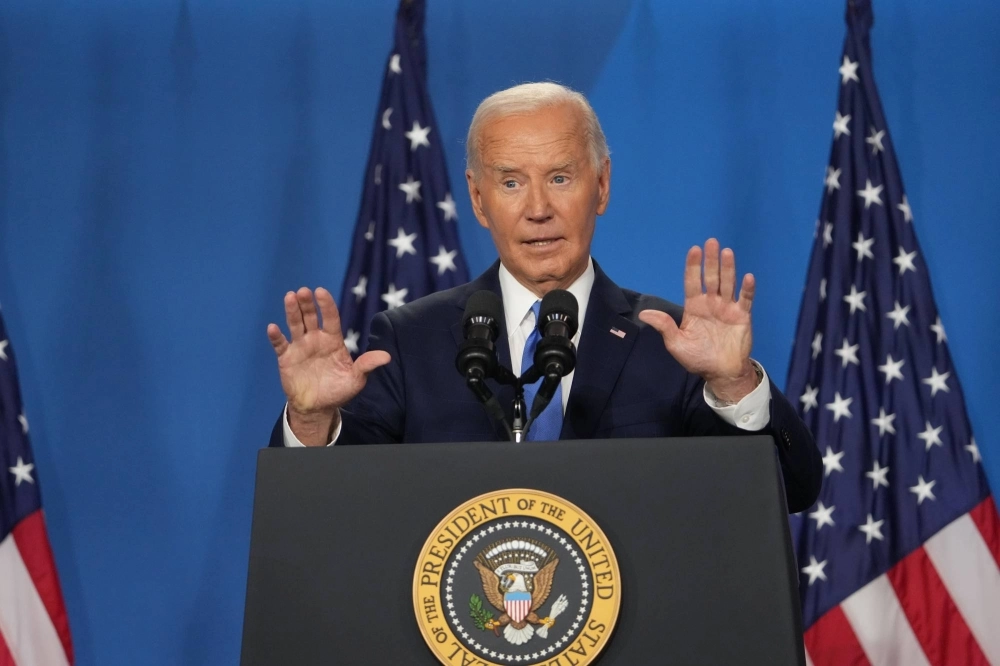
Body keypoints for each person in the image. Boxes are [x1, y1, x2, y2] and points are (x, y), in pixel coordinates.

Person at [266, 82, 822, 512]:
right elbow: (332, 507)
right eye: (511, 182)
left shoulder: (672, 342)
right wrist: (311, 423)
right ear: (478, 200)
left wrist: (732, 384)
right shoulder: (411, 340)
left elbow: (792, 490)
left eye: (560, 178)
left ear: (601, 185)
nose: (537, 209)